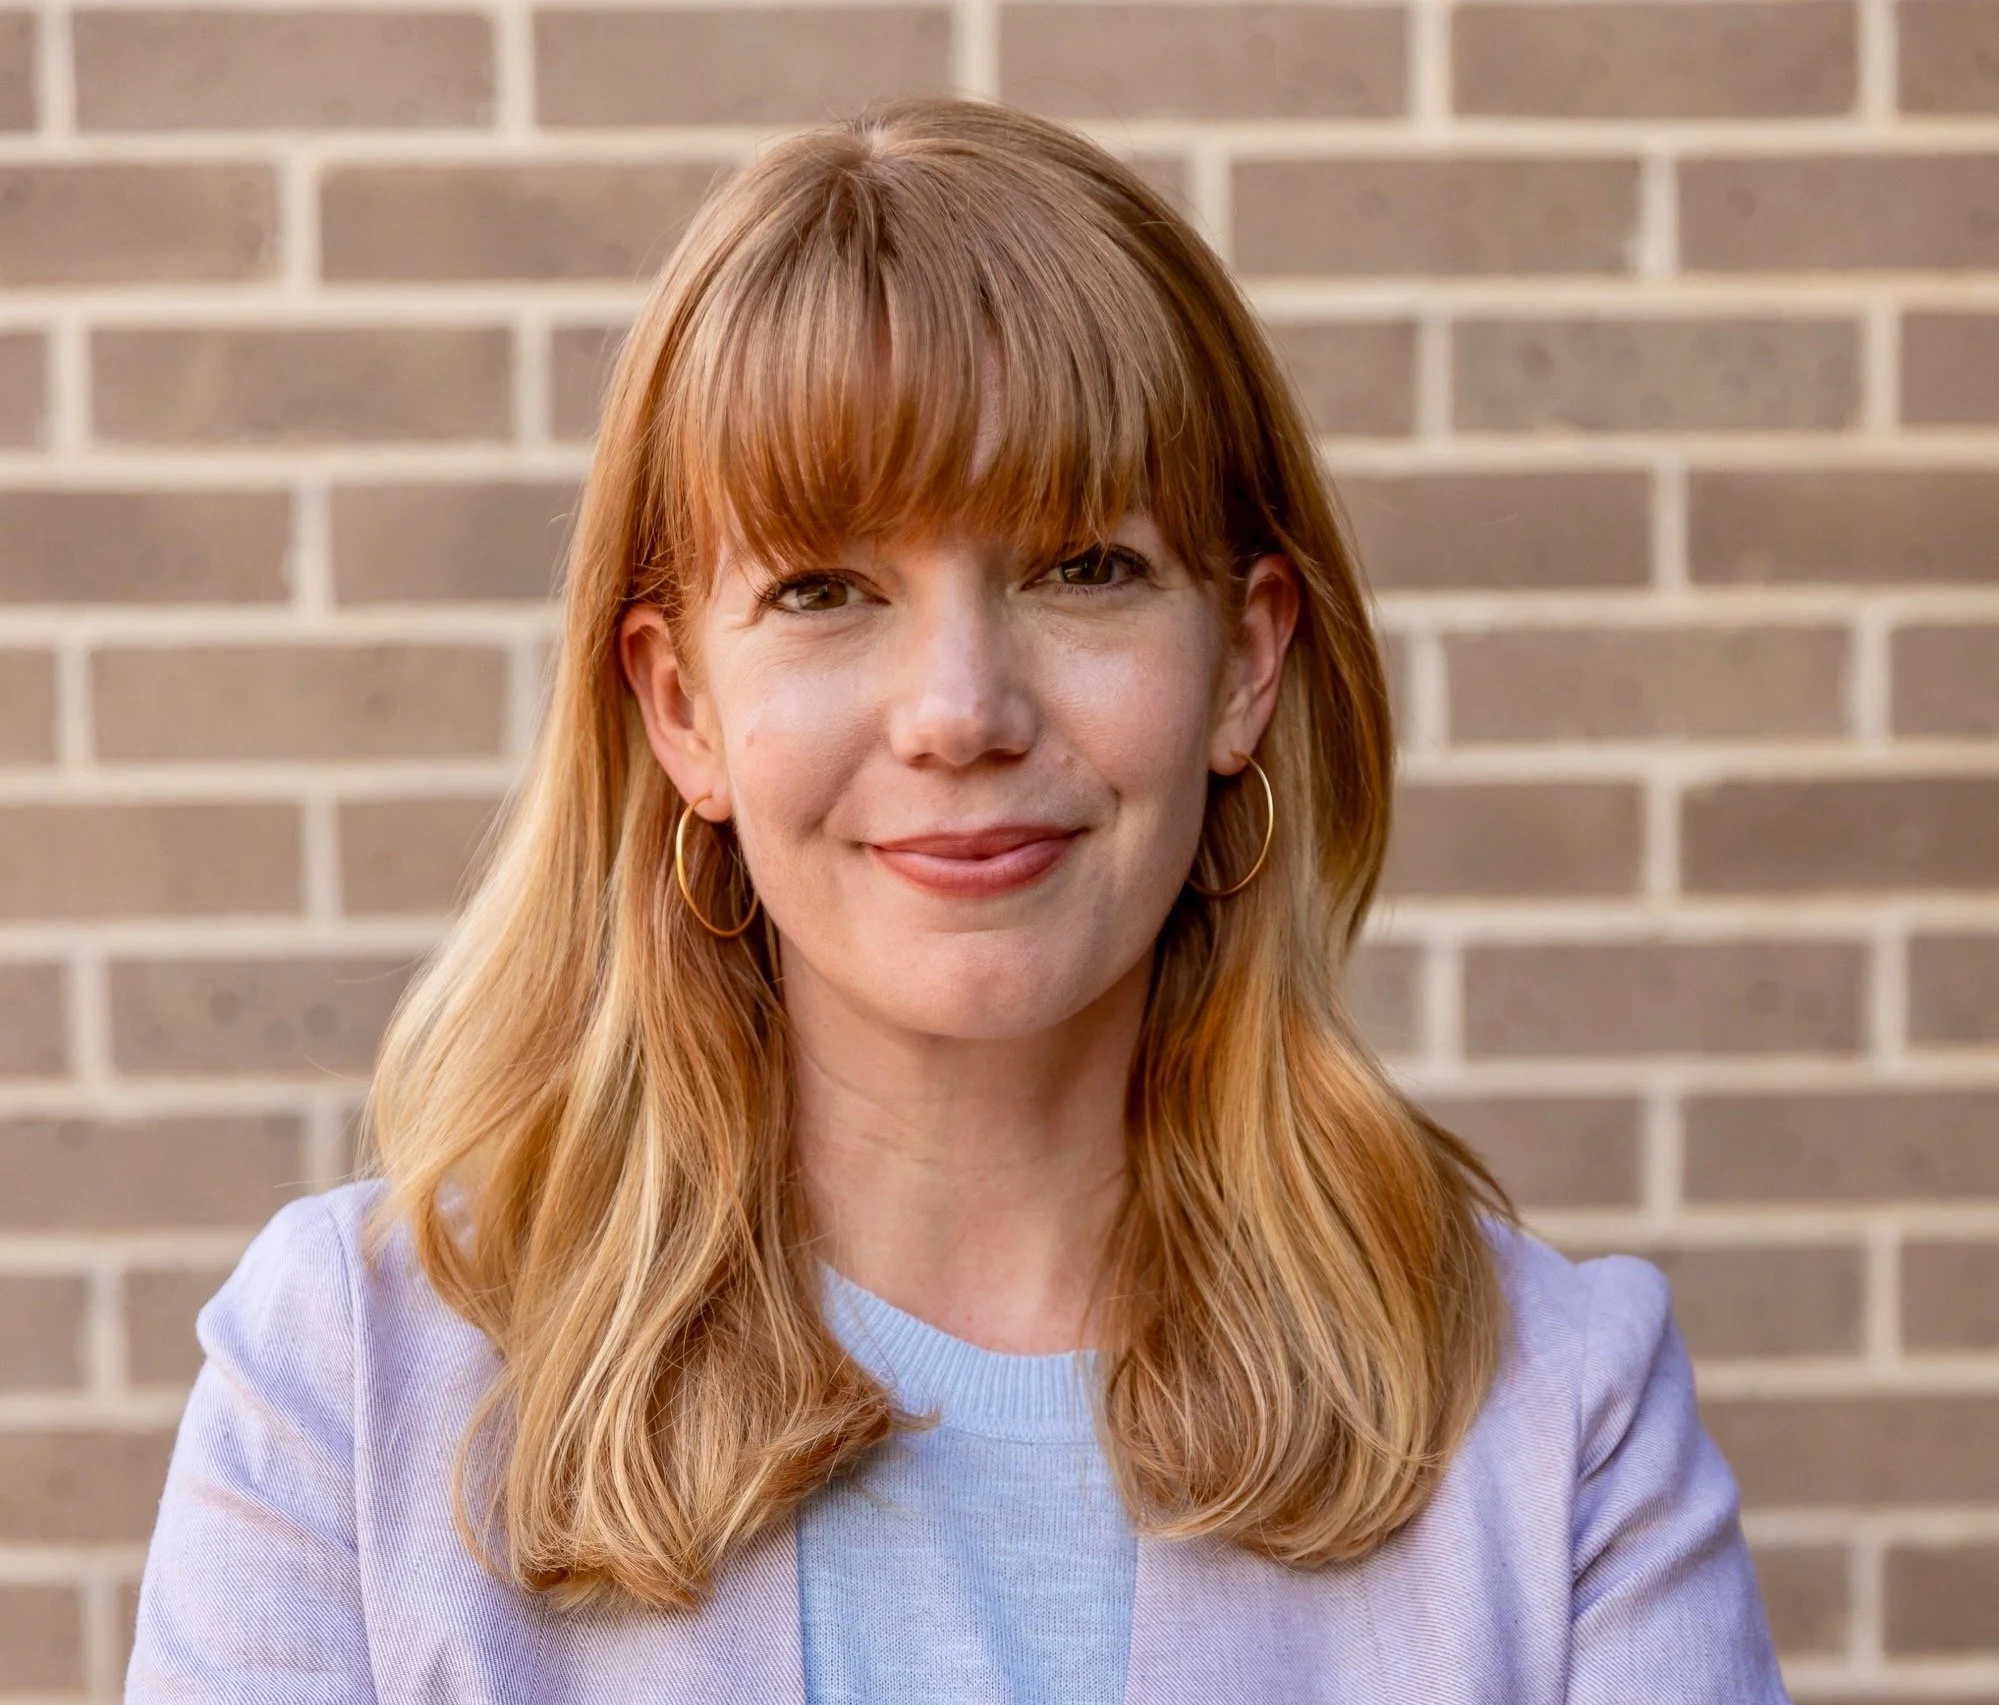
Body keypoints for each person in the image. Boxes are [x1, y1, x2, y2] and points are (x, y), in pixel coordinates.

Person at [126, 95, 1790, 1704]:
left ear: (1247, 658)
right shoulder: (351, 1383)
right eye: (826, 588)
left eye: (1081, 567)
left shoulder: (1555, 1419)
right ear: (681, 708)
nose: (958, 711)